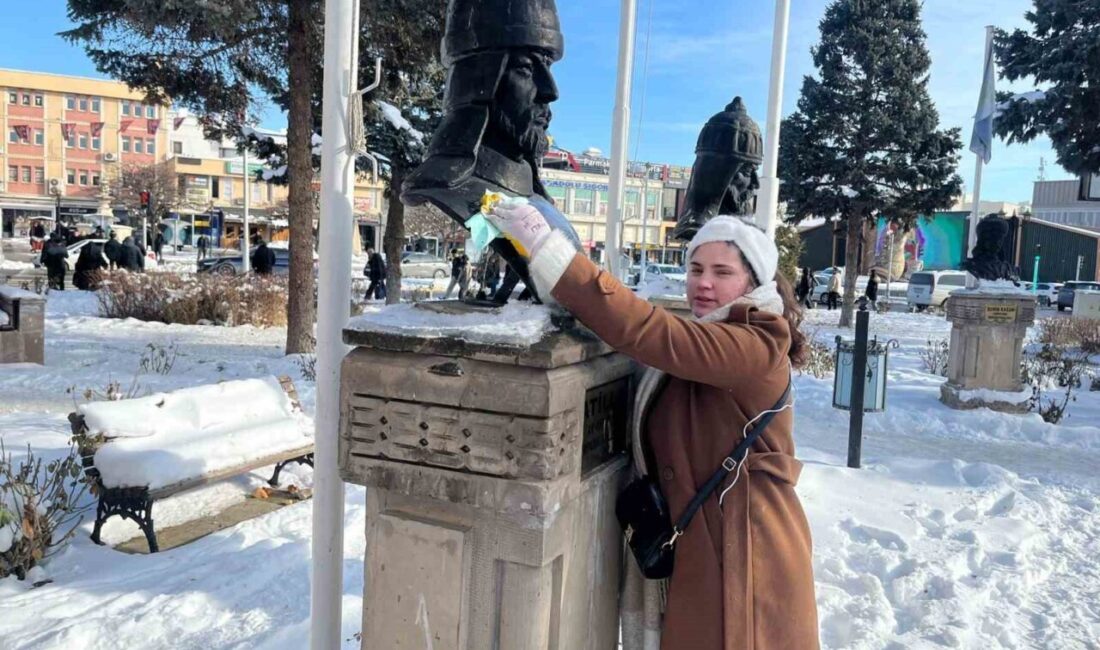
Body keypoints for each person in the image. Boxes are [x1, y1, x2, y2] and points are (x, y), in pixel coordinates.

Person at [487, 202, 819, 649]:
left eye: (722, 272)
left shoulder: (758, 340)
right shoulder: (711, 329)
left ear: (753, 282)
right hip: (703, 537)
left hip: (745, 549)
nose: (703, 282)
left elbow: (647, 332)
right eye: (696, 268)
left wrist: (551, 250)